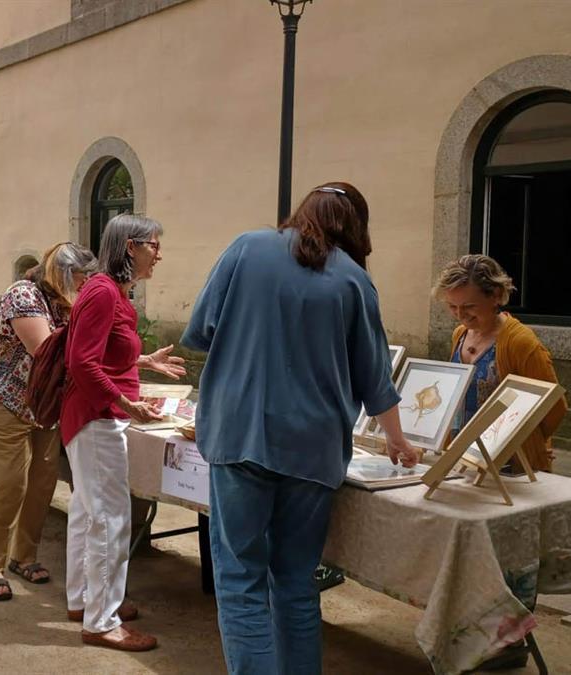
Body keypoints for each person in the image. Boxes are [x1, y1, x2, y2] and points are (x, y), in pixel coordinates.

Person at [182, 182, 418, 674]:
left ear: (302, 211)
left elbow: (202, 332)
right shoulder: (356, 280)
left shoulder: (247, 248)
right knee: (294, 582)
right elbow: (376, 379)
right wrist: (398, 441)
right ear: (357, 228)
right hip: (314, 451)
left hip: (240, 436)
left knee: (240, 581)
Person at [62, 215, 186, 652]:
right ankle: (101, 621)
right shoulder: (102, 291)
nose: (159, 253)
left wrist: (143, 362)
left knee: (88, 512)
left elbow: (103, 355)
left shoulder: (107, 291)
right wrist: (127, 401)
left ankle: (84, 601)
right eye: (154, 245)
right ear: (130, 247)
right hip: (98, 417)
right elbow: (82, 363)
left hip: (95, 415)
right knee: (110, 519)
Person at [0, 242, 97, 602]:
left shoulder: (65, 303)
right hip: (0, 401)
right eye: (82, 277)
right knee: (8, 483)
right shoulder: (23, 296)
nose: (86, 284)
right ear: (63, 274)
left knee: (41, 484)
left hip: (43, 407)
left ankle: (23, 557)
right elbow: (47, 351)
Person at [434, 254, 568, 472]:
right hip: (464, 460)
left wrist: (529, 440)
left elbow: (554, 406)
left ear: (495, 295)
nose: (460, 315)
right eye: (452, 306)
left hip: (508, 465)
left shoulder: (520, 342)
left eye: (469, 306)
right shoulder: (460, 334)